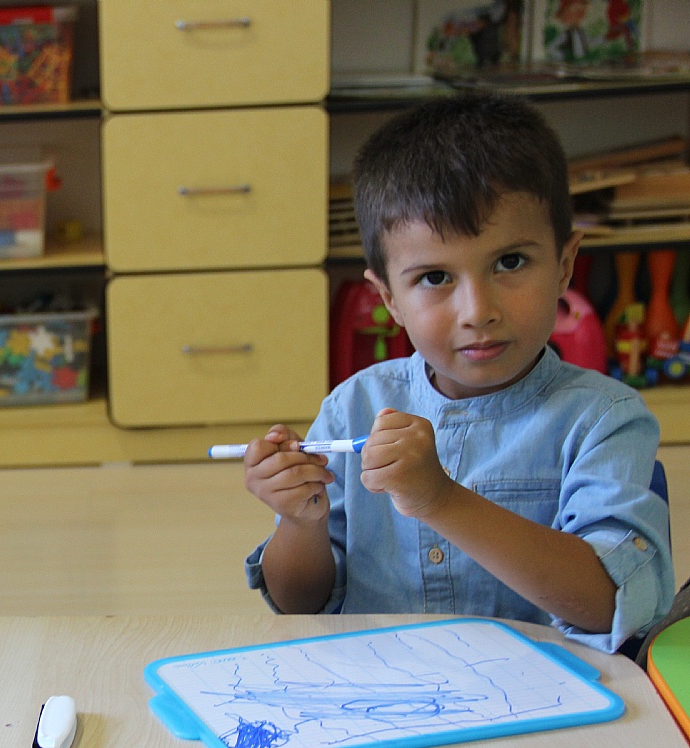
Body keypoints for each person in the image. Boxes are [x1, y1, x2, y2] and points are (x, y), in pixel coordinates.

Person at [242, 93, 672, 654]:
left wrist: (439, 498)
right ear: (389, 298)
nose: (478, 311)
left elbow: (609, 605)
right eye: (434, 278)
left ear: (565, 265)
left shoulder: (603, 420)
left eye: (510, 262)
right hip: (381, 687)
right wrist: (300, 522)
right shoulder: (354, 408)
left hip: (544, 694)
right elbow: (301, 607)